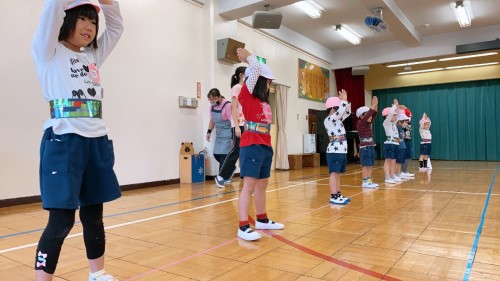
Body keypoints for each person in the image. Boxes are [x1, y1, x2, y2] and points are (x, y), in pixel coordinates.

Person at [31, 0, 123, 280]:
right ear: (66, 21)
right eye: (82, 19)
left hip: (96, 141)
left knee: (94, 215)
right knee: (61, 220)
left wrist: (108, 3)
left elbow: (117, 27)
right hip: (63, 140)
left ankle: (97, 273)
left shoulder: (92, 55)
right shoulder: (47, 51)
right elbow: (52, 11)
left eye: (93, 22)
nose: (89, 27)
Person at [235, 48, 284, 241]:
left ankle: (262, 219)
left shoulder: (264, 101)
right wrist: (249, 57)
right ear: (257, 80)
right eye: (267, 81)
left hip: (265, 145)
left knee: (263, 184)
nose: (269, 84)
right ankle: (243, 226)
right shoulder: (246, 95)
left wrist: (269, 147)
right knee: (249, 186)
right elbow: (254, 67)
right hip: (251, 144)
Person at [214, 66, 247, 188]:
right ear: (241, 75)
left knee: (245, 151)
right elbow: (234, 108)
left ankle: (245, 176)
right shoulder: (236, 88)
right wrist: (237, 126)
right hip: (239, 125)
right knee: (236, 150)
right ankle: (221, 175)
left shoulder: (247, 89)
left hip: (247, 124)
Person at [324, 89, 352, 204]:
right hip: (334, 151)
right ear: (332, 109)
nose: (340, 111)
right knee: (334, 173)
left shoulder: (339, 120)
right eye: (337, 108)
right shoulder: (329, 119)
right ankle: (333, 195)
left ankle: (338, 193)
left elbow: (347, 112)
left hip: (341, 151)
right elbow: (340, 112)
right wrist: (343, 100)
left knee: (338, 173)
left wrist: (346, 100)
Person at [206, 88, 232, 174]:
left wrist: (233, 137)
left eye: (214, 99)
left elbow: (233, 121)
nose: (212, 101)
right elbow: (212, 120)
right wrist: (209, 132)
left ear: (219, 97)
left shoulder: (227, 105)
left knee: (224, 156)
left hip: (228, 133)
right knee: (216, 155)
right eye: (211, 100)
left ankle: (222, 177)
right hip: (219, 134)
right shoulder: (212, 107)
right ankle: (229, 169)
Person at [355, 96, 379, 188]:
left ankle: (369, 181)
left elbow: (374, 114)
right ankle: (365, 182)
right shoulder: (360, 123)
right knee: (366, 165)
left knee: (370, 164)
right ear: (361, 116)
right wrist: (373, 105)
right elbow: (368, 116)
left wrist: (375, 105)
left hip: (370, 146)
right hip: (364, 147)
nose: (370, 117)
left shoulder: (368, 123)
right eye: (367, 115)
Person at [381, 99, 401, 184]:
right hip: (389, 143)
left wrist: (397, 107)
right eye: (394, 115)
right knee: (388, 161)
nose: (395, 117)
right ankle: (387, 177)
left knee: (393, 161)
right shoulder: (386, 123)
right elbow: (390, 115)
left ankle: (392, 175)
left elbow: (399, 116)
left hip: (396, 143)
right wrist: (394, 106)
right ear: (387, 116)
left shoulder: (393, 123)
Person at [401, 107, 415, 177]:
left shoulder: (408, 122)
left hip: (408, 141)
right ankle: (404, 171)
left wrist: (405, 108)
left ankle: (405, 171)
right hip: (405, 141)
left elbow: (406, 109)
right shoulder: (402, 123)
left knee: (408, 156)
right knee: (406, 156)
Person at [395, 112, 409, 179]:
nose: (406, 123)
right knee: (398, 161)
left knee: (400, 161)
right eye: (405, 122)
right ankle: (396, 174)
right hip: (399, 146)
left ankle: (399, 173)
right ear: (400, 121)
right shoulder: (397, 127)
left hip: (403, 146)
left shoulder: (401, 128)